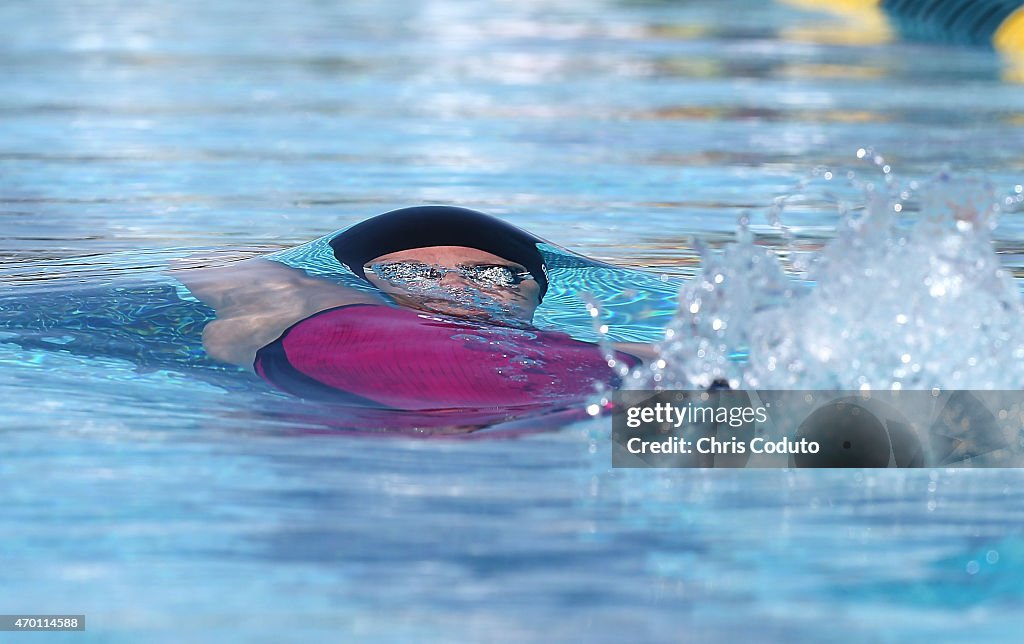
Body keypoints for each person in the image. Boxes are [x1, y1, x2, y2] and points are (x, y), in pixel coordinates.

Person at [177, 206, 655, 425]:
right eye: (413, 272)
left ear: (538, 293)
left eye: (496, 275)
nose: (457, 286)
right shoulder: (326, 317)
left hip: (558, 442)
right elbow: (210, 270)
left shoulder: (624, 366)